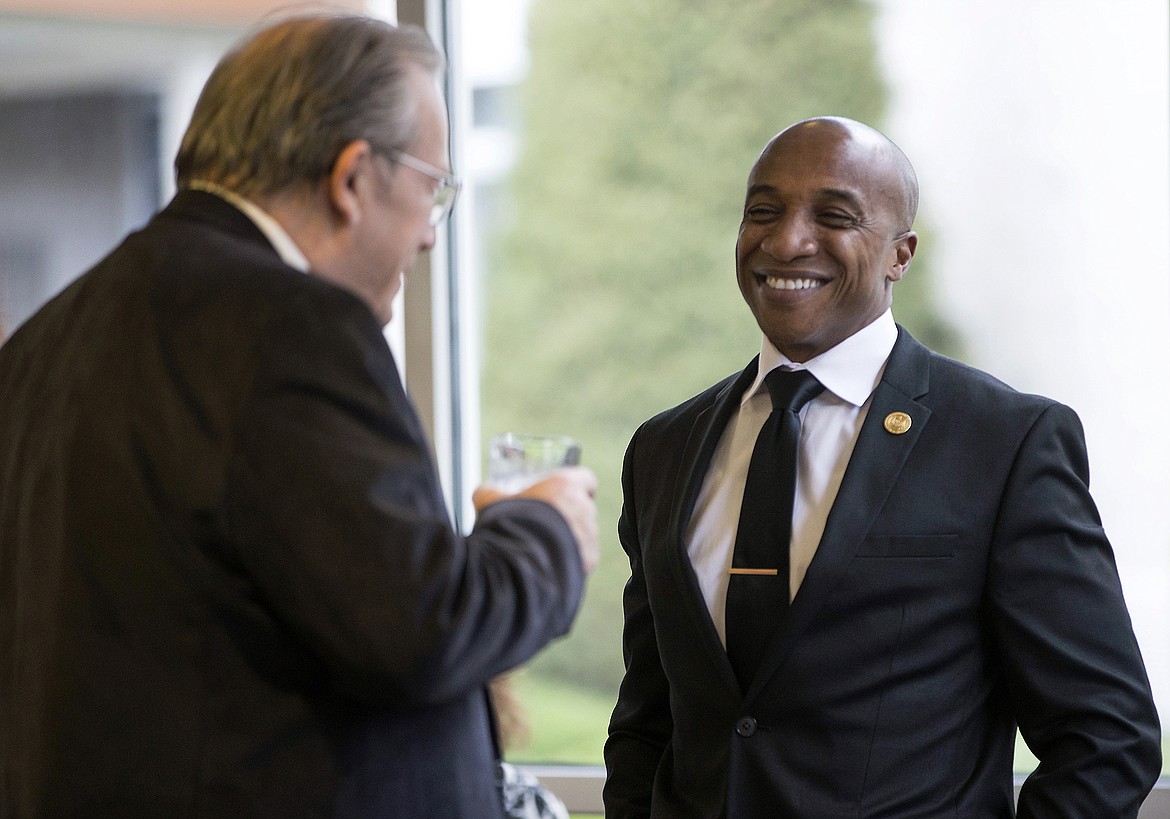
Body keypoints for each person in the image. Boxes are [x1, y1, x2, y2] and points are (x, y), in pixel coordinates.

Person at [0, 14, 598, 818]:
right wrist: (545, 530)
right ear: (353, 178)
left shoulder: (45, 340)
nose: (429, 235)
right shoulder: (290, 326)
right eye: (435, 189)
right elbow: (421, 625)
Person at [603, 116, 1161, 816]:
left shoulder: (1005, 442)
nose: (786, 239)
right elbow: (647, 724)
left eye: (833, 215)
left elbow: (1107, 735)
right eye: (762, 212)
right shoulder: (663, 448)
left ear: (901, 253)